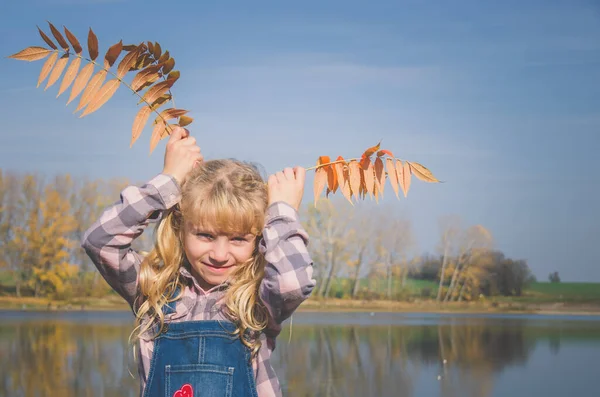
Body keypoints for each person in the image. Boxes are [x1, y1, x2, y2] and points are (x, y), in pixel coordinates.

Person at [81, 127, 316, 397]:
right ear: (181, 228)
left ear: (257, 241)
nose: (219, 254)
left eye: (238, 239)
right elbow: (100, 242)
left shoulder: (258, 297)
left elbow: (293, 283)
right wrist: (167, 183)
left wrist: (281, 214)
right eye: (205, 235)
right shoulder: (154, 287)